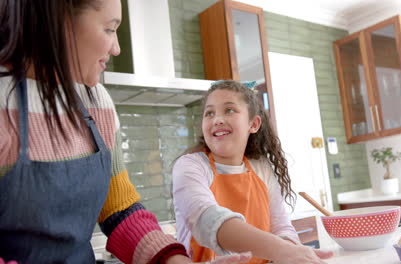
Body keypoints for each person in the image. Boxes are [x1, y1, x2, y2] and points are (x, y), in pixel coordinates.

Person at [0, 1, 251, 263]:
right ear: (58, 20)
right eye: (110, 29)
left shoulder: (96, 102)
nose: (117, 48)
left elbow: (120, 210)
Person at [172, 80, 334, 264]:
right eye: (209, 113)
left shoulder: (261, 169)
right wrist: (282, 250)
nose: (217, 119)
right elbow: (208, 220)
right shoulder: (190, 167)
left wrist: (290, 251)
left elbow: (281, 226)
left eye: (229, 110)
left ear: (254, 124)